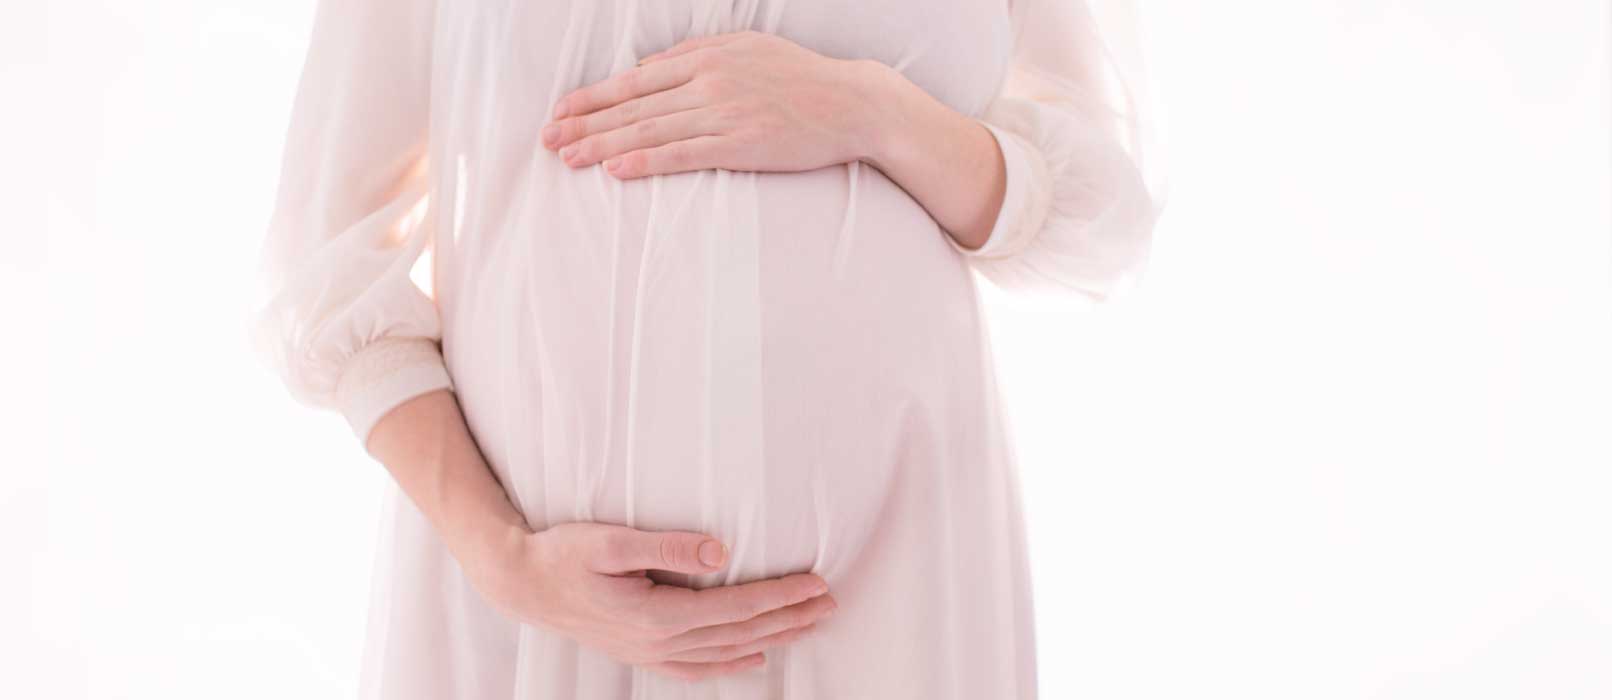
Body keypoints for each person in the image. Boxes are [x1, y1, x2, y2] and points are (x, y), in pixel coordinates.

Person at [254, 0, 1158, 697]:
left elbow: (1095, 212)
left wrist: (872, 110)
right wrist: (504, 561)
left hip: (892, 597)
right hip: (536, 621)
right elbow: (331, 266)